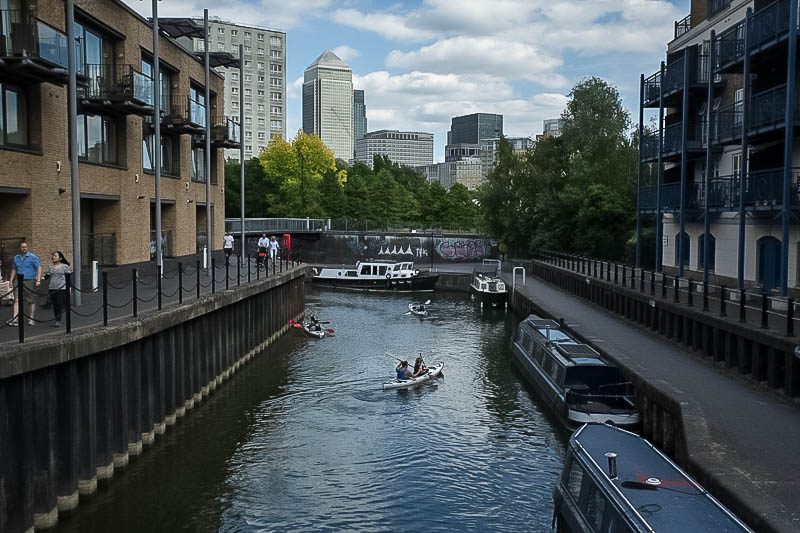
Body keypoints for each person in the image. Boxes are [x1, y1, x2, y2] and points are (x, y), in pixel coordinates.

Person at [7, 242, 43, 327]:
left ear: (28, 247)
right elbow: (14, 269)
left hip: (29, 280)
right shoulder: (16, 257)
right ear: (20, 248)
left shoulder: (33, 257)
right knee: (16, 299)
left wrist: (38, 279)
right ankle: (15, 318)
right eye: (22, 247)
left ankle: (31, 318)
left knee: (31, 300)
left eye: (25, 247)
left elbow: (39, 267)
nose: (24, 248)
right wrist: (11, 280)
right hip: (18, 281)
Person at [47, 251, 70, 327]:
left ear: (60, 258)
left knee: (59, 303)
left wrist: (69, 288)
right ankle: (56, 318)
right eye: (53, 255)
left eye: (56, 256)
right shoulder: (50, 267)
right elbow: (48, 275)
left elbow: (68, 277)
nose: (54, 257)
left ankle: (58, 320)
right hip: (52, 287)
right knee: (55, 305)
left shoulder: (65, 266)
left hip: (61, 288)